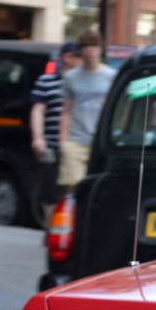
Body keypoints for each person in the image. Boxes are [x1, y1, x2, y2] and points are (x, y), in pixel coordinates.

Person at [58, 29, 116, 192]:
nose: (90, 50)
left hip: (101, 141)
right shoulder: (70, 77)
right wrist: (64, 142)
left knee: (100, 188)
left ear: (101, 49)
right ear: (81, 50)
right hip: (76, 140)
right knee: (74, 190)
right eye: (86, 46)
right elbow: (66, 111)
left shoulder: (111, 75)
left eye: (94, 45)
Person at [30, 42, 81, 225]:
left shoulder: (82, 82)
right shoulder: (46, 81)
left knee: (74, 189)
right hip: (51, 144)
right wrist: (38, 138)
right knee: (50, 190)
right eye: (78, 56)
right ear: (67, 58)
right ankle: (51, 231)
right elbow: (38, 111)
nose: (82, 60)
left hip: (77, 143)